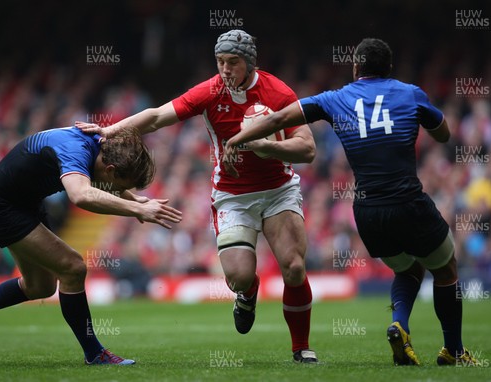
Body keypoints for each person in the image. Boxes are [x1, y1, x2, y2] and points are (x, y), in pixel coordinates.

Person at [226, 38, 480, 366]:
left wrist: (237, 138)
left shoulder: (336, 98)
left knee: (408, 269)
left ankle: (400, 324)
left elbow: (277, 120)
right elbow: (443, 133)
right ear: (389, 68)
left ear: (356, 67)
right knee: (446, 270)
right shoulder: (410, 93)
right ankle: (454, 351)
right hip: (408, 202)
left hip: (368, 212)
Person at [77, 29, 318, 363]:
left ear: (249, 62)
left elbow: (307, 149)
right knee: (238, 277)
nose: (225, 69)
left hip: (278, 190)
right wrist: (110, 129)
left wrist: (266, 147)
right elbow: (159, 116)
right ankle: (247, 294)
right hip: (233, 195)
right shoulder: (210, 92)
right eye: (220, 62)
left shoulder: (277, 92)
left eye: (233, 62)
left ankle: (301, 348)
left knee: (293, 267)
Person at [0, 126, 182, 365]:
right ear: (110, 169)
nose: (123, 190)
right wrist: (138, 209)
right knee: (73, 267)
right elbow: (81, 195)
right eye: (123, 184)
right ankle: (94, 353)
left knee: (41, 287)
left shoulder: (100, 148)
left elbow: (99, 181)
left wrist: (134, 200)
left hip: (23, 204)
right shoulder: (76, 151)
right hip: (0, 209)